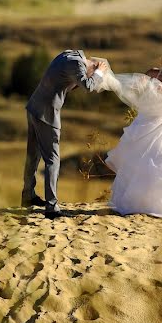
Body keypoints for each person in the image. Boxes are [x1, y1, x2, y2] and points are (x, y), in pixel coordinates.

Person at [101, 46, 162, 219]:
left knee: (157, 164)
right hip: (144, 123)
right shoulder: (153, 73)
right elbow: (137, 90)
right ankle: (132, 204)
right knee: (135, 161)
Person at [22, 49, 108, 219]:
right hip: (46, 114)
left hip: (34, 107)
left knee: (33, 155)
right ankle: (52, 207)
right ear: (92, 65)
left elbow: (64, 82)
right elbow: (88, 86)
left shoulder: (68, 55)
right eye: (91, 73)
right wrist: (99, 72)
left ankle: (28, 195)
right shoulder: (77, 64)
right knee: (53, 160)